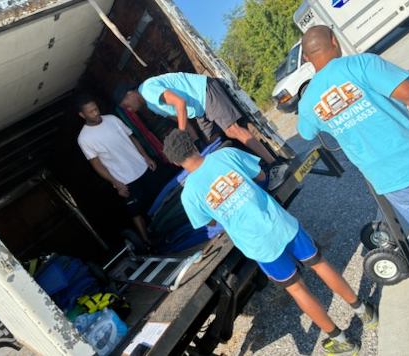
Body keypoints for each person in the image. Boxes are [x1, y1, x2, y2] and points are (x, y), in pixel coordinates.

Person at [162, 128, 378, 356]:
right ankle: (364, 311)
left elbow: (210, 221)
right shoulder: (225, 155)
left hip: (258, 245)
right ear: (195, 145)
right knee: (319, 263)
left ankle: (342, 340)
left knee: (296, 288)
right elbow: (261, 176)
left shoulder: (189, 194)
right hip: (280, 223)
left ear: (176, 163)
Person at [297, 25, 409, 235]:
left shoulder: (307, 102)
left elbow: (304, 133)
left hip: (386, 178)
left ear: (307, 58)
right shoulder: (362, 63)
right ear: (334, 40)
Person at [113, 72, 289, 190]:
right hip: (198, 109)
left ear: (129, 94)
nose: (128, 109)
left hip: (204, 92)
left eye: (126, 105)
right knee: (212, 145)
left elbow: (180, 103)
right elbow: (184, 119)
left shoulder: (148, 90)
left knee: (232, 130)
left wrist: (181, 139)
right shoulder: (152, 106)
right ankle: (252, 170)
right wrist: (195, 141)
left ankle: (275, 164)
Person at [75, 93, 171, 245]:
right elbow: (96, 164)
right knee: (136, 211)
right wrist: (116, 182)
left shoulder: (112, 119)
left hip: (142, 167)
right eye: (91, 112)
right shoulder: (84, 138)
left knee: (164, 194)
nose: (96, 113)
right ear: (82, 115)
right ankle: (147, 243)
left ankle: (176, 221)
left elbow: (132, 138)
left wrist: (146, 157)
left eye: (96, 109)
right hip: (125, 179)